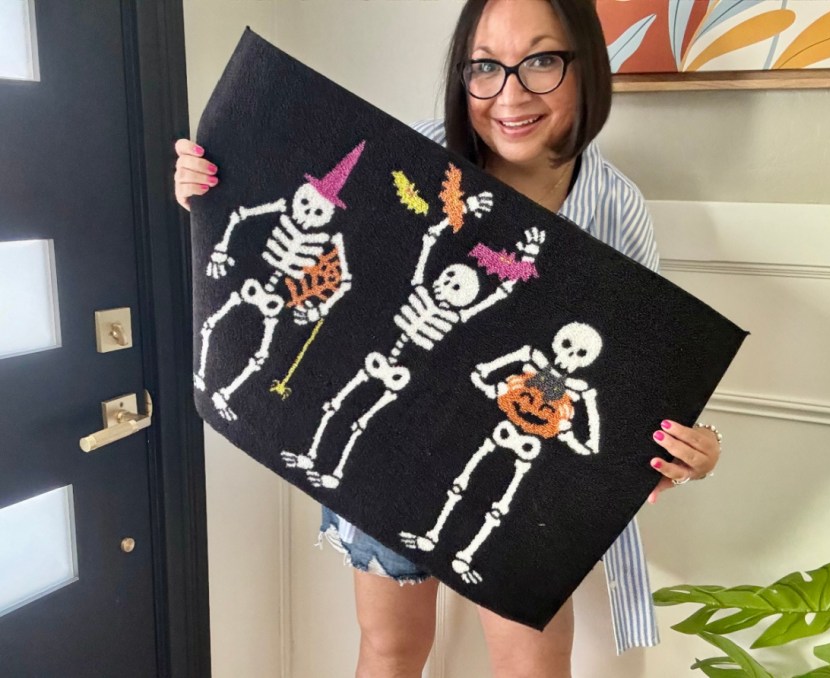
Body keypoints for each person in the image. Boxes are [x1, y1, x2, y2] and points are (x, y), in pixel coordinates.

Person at [173, 1, 723, 676]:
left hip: (527, 484)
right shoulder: (413, 158)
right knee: (390, 646)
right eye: (485, 66)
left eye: (542, 61)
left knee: (533, 664)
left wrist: (699, 444)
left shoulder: (615, 205)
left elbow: (644, 359)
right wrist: (212, 181)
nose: (510, 94)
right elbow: (315, 231)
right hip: (384, 447)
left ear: (585, 67)